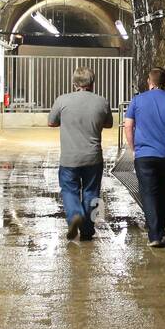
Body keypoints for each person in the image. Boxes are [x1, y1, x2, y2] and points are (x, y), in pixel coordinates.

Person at [123, 67, 165, 247]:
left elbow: (128, 126)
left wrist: (133, 148)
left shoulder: (137, 100)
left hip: (144, 154)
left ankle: (155, 235)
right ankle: (160, 226)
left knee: (149, 193)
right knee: (162, 190)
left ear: (149, 81)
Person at [47, 67, 114, 241]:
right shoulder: (102, 101)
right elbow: (108, 124)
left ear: (74, 83)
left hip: (69, 158)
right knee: (92, 192)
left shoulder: (62, 100)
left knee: (69, 190)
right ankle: (87, 230)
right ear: (92, 83)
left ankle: (75, 215)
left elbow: (51, 123)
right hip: (93, 157)